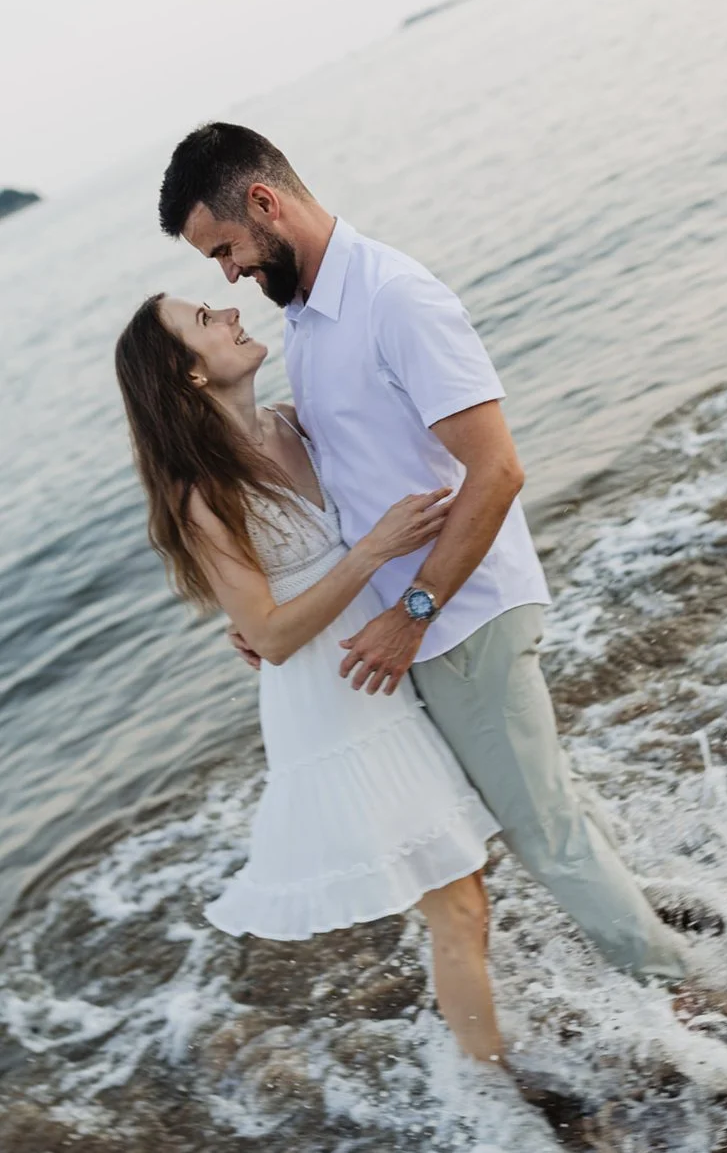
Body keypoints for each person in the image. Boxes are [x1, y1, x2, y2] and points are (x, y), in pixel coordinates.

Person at [158, 122, 688, 987]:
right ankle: (672, 930)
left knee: (542, 834)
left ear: (263, 203)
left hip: (458, 615)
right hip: (423, 624)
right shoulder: (308, 316)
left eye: (224, 249)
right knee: (548, 812)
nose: (227, 276)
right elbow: (337, 493)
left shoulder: (393, 298)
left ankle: (695, 1000)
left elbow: (498, 470)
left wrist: (412, 613)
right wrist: (270, 615)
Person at [115, 294, 508, 1067]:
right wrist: (369, 555)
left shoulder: (295, 422)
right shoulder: (204, 495)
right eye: (204, 320)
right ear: (189, 375)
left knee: (466, 893)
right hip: (338, 708)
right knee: (457, 905)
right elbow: (270, 634)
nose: (228, 308)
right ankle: (502, 1106)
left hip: (385, 667)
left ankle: (483, 1065)